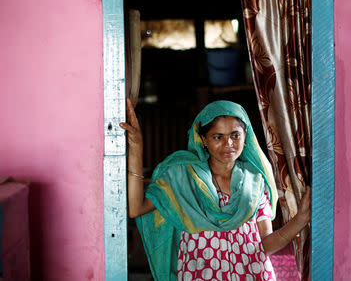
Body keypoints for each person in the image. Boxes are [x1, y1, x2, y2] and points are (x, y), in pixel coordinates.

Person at [120, 98, 311, 281]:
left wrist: (300, 220)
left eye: (235, 135)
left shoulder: (255, 182)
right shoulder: (183, 178)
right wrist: (137, 148)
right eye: (218, 137)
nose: (228, 144)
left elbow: (264, 245)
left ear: (246, 138)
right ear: (203, 139)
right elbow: (136, 208)